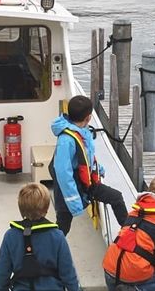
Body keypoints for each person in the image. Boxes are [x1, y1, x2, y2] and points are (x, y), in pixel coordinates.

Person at [50, 96, 129, 236]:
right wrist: (74, 204)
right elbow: (62, 172)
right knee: (63, 226)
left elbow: (87, 156)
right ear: (88, 118)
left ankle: (130, 234)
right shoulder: (66, 140)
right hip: (71, 188)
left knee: (116, 197)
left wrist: (99, 169)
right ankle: (48, 251)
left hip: (87, 183)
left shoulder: (82, 131)